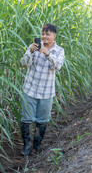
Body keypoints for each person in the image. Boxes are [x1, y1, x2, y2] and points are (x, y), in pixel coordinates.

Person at [20, 23, 65, 156]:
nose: (44, 37)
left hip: (46, 92)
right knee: (26, 119)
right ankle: (27, 146)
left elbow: (58, 66)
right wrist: (30, 51)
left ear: (54, 35)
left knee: (43, 120)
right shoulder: (33, 48)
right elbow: (23, 63)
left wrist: (47, 54)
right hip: (30, 89)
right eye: (43, 34)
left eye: (48, 34)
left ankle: (37, 146)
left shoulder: (59, 51)